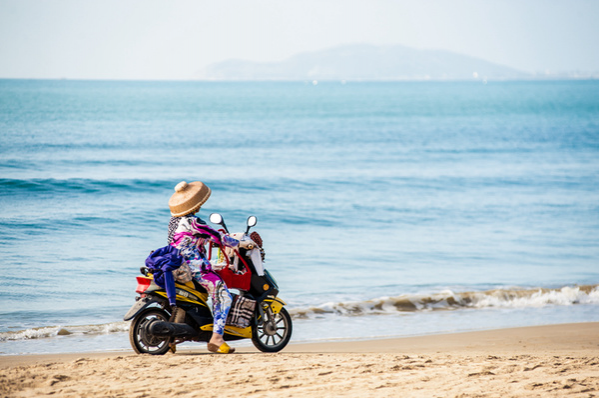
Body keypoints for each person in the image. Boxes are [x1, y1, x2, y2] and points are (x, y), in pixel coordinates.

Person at [167, 180, 243, 354]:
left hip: (177, 264)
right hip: (194, 268)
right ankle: (216, 338)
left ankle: (175, 335)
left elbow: (199, 238)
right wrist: (241, 243)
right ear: (197, 205)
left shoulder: (174, 222)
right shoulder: (194, 222)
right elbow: (219, 237)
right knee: (223, 296)